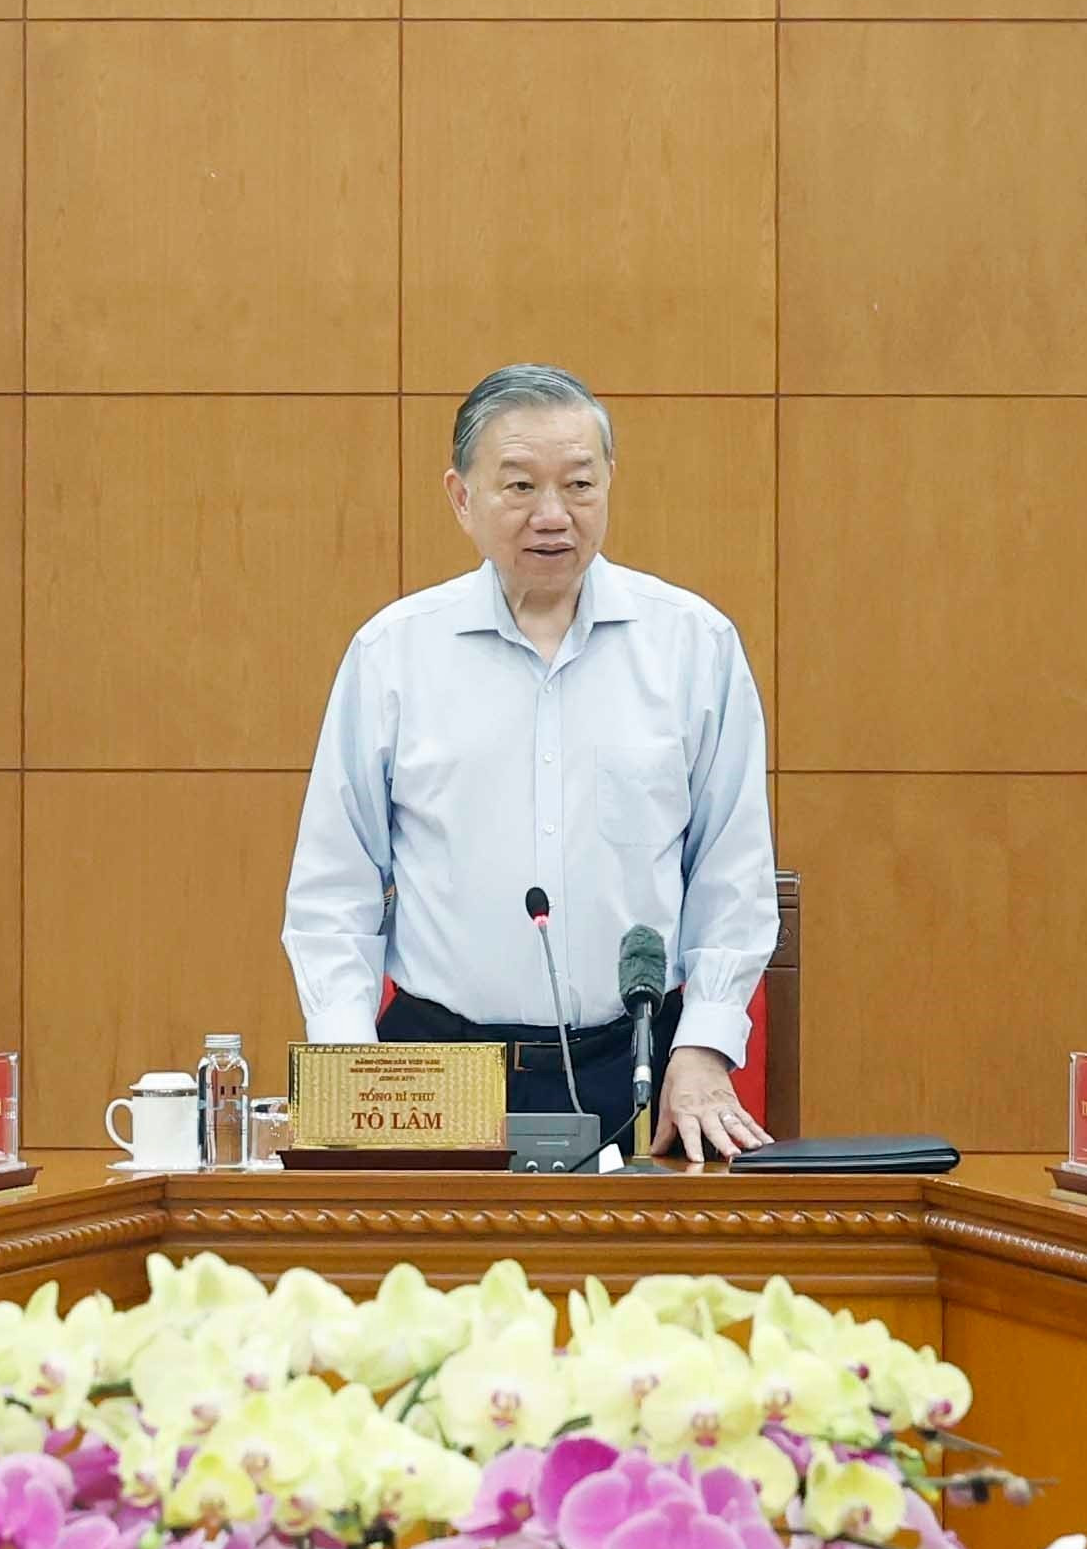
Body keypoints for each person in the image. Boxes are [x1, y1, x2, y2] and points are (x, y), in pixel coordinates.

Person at [283, 365, 780, 1163]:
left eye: (579, 483)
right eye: (519, 485)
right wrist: (350, 1071)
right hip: (429, 1071)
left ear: (609, 482)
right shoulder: (394, 654)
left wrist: (706, 1044)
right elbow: (333, 890)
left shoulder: (694, 646)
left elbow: (732, 872)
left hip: (640, 1067)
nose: (553, 515)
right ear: (461, 497)